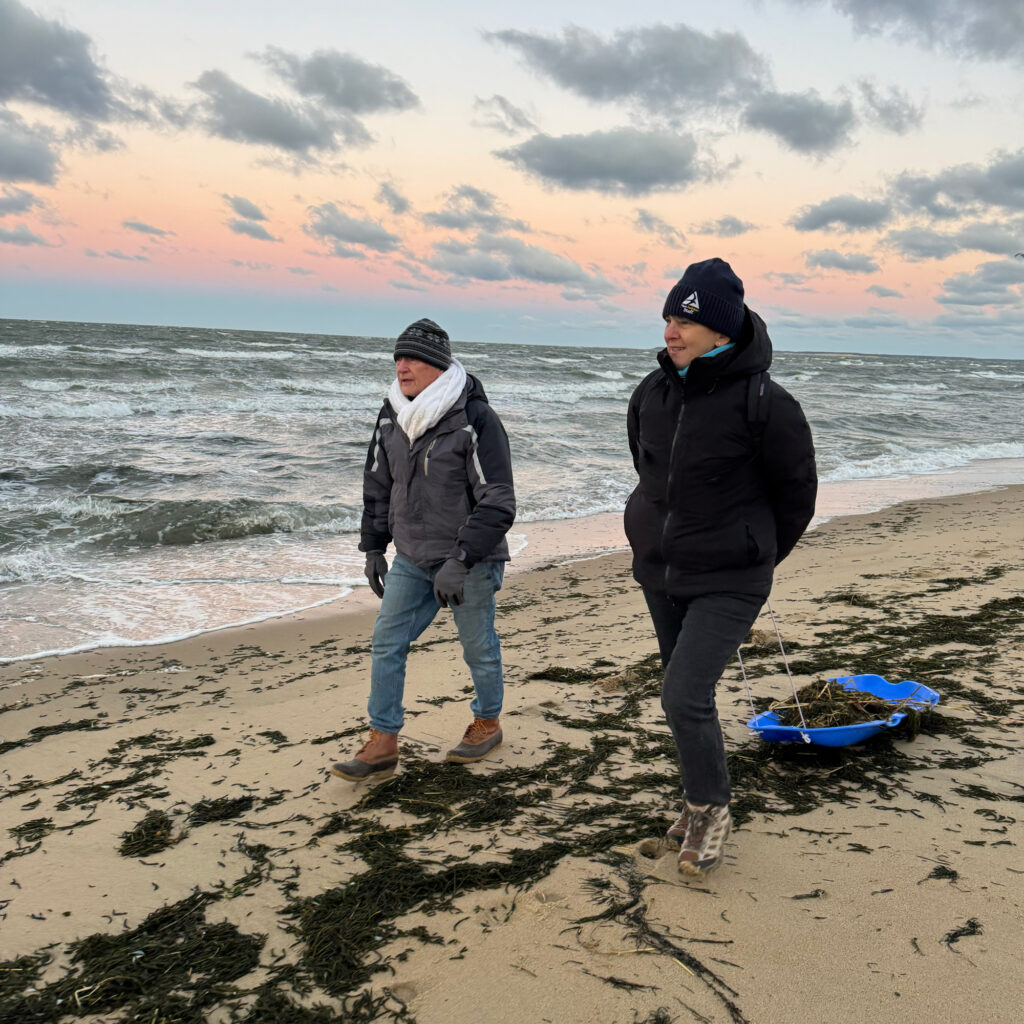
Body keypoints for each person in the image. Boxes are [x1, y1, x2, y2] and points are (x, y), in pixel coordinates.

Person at [624, 258, 817, 876]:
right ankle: (697, 796)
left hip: (731, 577)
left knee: (683, 694)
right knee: (685, 696)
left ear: (722, 330)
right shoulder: (650, 394)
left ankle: (711, 806)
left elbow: (797, 496)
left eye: (686, 318)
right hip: (661, 570)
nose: (671, 329)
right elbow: (649, 474)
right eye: (668, 316)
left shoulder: (767, 403)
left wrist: (753, 552)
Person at [333, 318, 516, 781]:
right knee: (387, 642)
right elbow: (377, 483)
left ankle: (488, 721)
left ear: (437, 365)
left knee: (477, 647)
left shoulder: (474, 418)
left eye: (412, 357)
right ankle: (383, 740)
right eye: (397, 357)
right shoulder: (392, 414)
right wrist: (375, 546)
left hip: (468, 561)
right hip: (412, 557)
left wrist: (461, 559)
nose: (402, 366)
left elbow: (498, 499)